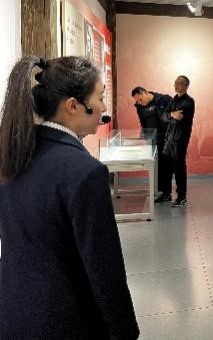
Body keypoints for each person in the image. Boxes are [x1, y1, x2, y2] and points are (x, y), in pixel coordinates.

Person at [0, 56, 139, 339]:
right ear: (73, 105)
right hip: (64, 319)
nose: (103, 108)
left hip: (13, 311)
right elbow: (104, 267)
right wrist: (124, 331)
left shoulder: (12, 154)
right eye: (100, 98)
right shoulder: (86, 173)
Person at [157, 75, 195, 207]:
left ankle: (182, 197)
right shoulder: (174, 99)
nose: (175, 86)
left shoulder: (189, 101)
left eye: (179, 83)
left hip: (180, 140)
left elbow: (178, 117)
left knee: (179, 168)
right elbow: (163, 116)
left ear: (186, 86)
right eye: (175, 83)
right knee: (166, 168)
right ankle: (166, 193)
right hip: (169, 139)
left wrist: (170, 115)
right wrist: (171, 114)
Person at [132, 86, 172, 200]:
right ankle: (158, 191)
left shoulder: (163, 99)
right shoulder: (140, 107)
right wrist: (145, 137)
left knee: (165, 167)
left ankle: (166, 193)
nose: (140, 103)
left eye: (140, 99)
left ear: (145, 93)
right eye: (137, 101)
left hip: (165, 139)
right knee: (155, 167)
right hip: (152, 140)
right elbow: (142, 122)